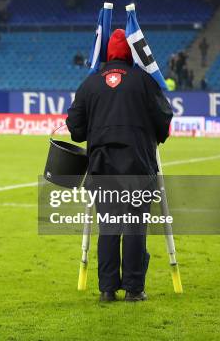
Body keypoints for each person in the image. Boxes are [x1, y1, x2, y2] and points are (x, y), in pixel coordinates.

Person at [66, 29, 173, 303]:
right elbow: (164, 121)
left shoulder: (90, 84)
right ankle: (135, 289)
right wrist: (155, 136)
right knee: (135, 225)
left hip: (102, 166)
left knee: (109, 226)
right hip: (138, 164)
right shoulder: (144, 81)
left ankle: (107, 289)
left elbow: (75, 129)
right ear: (131, 53)